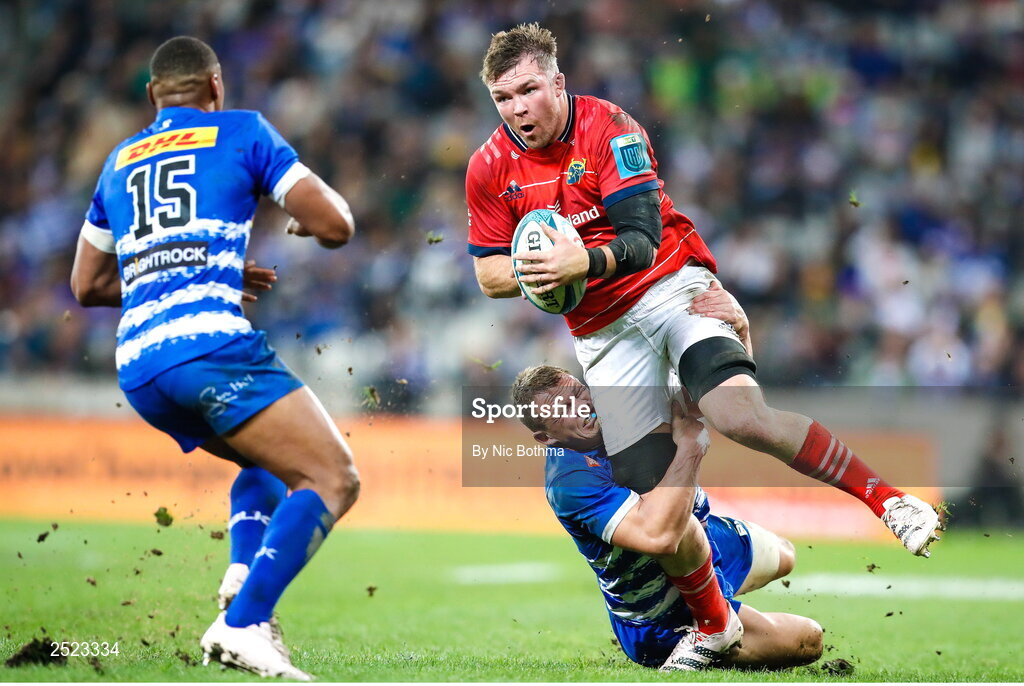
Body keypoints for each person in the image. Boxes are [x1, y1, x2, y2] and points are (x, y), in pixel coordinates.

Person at [465, 23, 939, 654]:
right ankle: (716, 626)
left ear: (557, 81)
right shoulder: (489, 166)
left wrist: (582, 263)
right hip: (601, 330)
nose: (517, 108)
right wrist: (534, 271)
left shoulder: (612, 129)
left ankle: (890, 503)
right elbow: (488, 271)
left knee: (738, 416)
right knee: (652, 488)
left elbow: (638, 236)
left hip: (670, 289)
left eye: (528, 89)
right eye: (503, 98)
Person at [69, 36, 359, 681]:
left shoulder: (118, 160)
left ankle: (239, 572)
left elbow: (86, 286)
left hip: (140, 364)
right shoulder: (242, 131)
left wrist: (194, 273)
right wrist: (313, 223)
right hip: (209, 347)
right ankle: (244, 621)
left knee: (266, 457)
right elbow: (337, 223)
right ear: (217, 86)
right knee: (333, 478)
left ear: (153, 97)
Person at [510, 364, 823, 671]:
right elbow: (660, 537)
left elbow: (726, 394)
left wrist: (737, 347)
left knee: (785, 554)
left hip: (706, 540)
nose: (581, 407)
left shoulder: (621, 402)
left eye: (578, 393)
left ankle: (714, 593)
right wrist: (691, 449)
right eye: (562, 409)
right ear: (546, 437)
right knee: (809, 640)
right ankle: (713, 625)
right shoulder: (571, 478)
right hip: (660, 610)